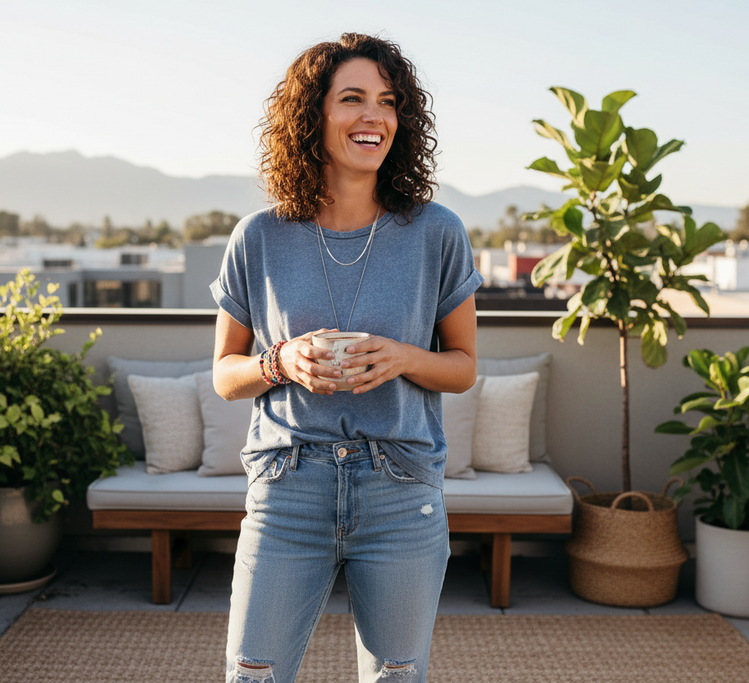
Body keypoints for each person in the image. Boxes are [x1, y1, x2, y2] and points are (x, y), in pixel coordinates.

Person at [210, 32, 483, 683]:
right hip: (288, 487)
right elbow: (226, 373)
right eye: (353, 98)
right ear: (313, 116)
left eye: (387, 102)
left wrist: (403, 358)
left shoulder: (436, 231)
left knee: (395, 676)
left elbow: (465, 365)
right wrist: (281, 362)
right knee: (252, 674)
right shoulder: (259, 236)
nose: (374, 117)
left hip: (400, 489)